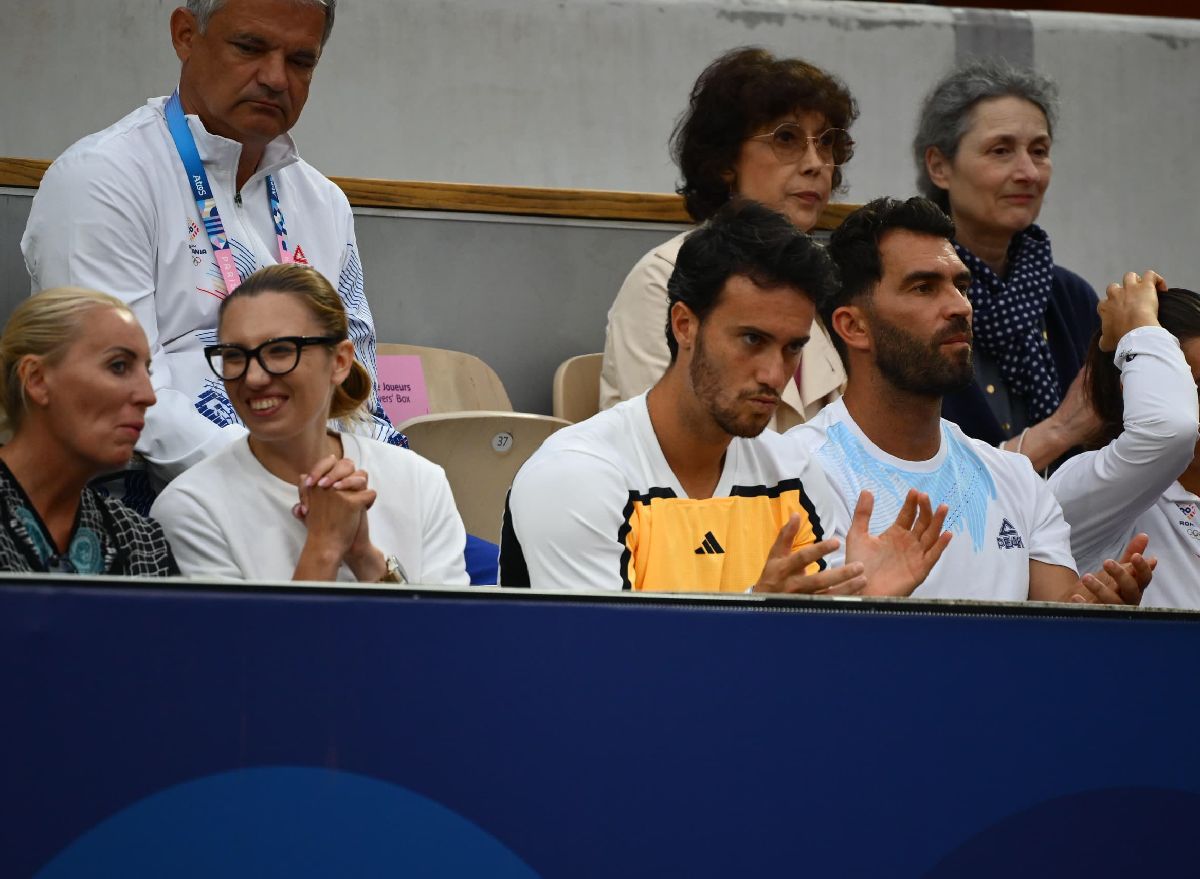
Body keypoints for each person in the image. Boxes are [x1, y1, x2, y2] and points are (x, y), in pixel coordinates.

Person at [21, 0, 402, 506]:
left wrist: (379, 485)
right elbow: (112, 391)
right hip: (153, 508)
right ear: (185, 34)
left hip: (324, 492)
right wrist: (275, 479)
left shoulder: (324, 202)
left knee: (475, 570)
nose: (275, 78)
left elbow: (359, 387)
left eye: (301, 61)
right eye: (250, 47)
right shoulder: (104, 179)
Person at [501, 201, 951, 594]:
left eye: (793, 346)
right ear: (685, 325)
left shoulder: (796, 475)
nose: (775, 374)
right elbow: (608, 676)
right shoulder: (575, 475)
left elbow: (813, 669)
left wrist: (859, 611)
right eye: (752, 339)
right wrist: (757, 618)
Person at [789, 196, 1152, 604]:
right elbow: (804, 653)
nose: (960, 306)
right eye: (924, 287)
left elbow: (1059, 631)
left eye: (961, 286)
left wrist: (1100, 617)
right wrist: (867, 604)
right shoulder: (794, 472)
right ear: (853, 326)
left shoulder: (1017, 480)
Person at [150, 264, 467, 584]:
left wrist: (364, 556)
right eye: (234, 356)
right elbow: (243, 637)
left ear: (340, 361)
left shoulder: (420, 481)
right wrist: (325, 546)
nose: (254, 377)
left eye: (280, 351)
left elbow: (440, 633)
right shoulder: (190, 507)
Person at [600, 47, 855, 431]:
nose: (815, 163)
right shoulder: (663, 277)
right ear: (724, 161)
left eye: (825, 143)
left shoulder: (814, 284)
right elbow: (675, 442)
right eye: (786, 138)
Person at [913, 59, 1099, 470]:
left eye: (1040, 151)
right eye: (1001, 151)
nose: (1028, 172)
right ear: (939, 166)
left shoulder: (1071, 298)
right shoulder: (906, 292)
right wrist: (1056, 432)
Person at [0, 288, 177, 575]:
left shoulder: (142, 542)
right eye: (119, 366)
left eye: (148, 372)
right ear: (37, 380)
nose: (148, 395)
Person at [1048, 276, 1200, 609]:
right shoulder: (1084, 483)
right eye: (1194, 386)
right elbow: (1169, 430)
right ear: (1136, 387)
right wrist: (1139, 323)